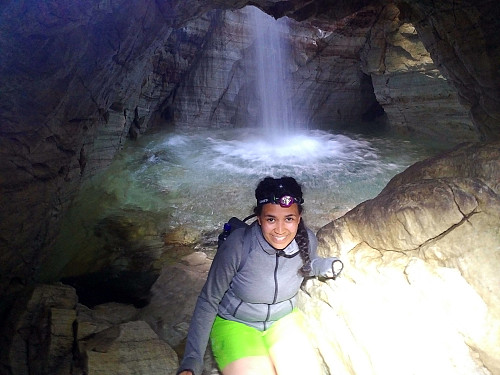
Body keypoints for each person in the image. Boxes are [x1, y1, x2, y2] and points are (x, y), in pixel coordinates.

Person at [177, 176, 343, 375]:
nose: (280, 230)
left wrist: (323, 265)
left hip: (284, 320)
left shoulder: (307, 239)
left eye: (289, 218)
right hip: (235, 324)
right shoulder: (238, 246)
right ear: (259, 218)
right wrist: (192, 361)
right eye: (271, 219)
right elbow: (209, 299)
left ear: (299, 218)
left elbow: (304, 266)